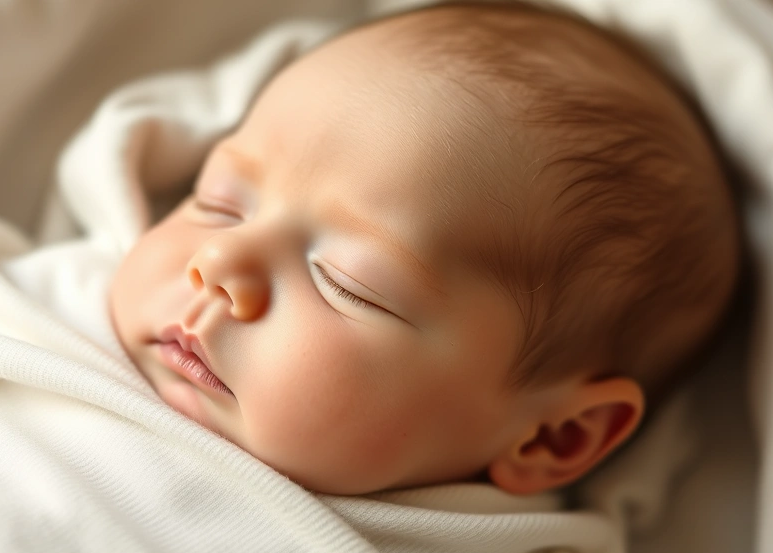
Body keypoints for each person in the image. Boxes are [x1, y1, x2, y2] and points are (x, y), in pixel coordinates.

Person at [110, 0, 740, 496]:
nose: (218, 262)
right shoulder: (47, 304)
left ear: (555, 437)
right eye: (218, 201)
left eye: (346, 282)